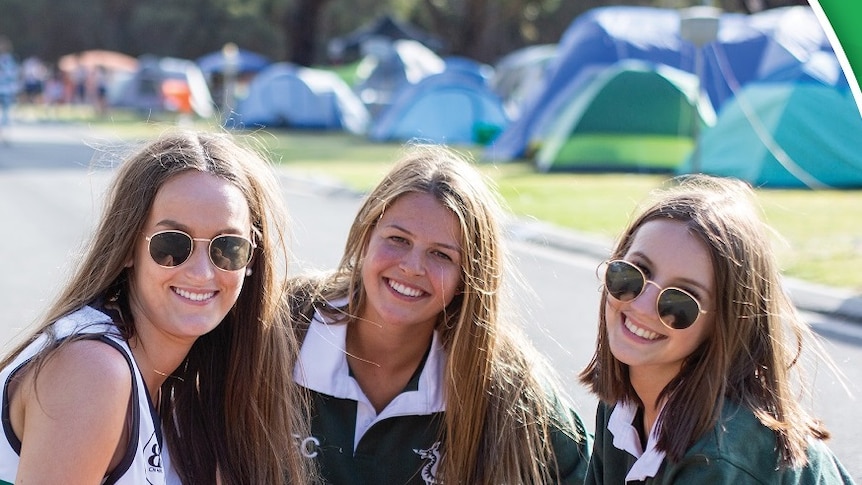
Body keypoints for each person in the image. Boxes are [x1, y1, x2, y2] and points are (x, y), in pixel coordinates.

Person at [0, 131, 311, 484]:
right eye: (172, 244)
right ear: (128, 247)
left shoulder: (182, 389)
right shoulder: (93, 372)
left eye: (228, 247)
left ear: (251, 258)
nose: (201, 272)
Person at [288, 143, 591, 484]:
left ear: (469, 278)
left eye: (441, 255)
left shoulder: (509, 385)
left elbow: (591, 474)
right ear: (365, 235)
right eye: (398, 239)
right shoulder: (277, 329)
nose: (412, 267)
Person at [579, 174, 855, 483]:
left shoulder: (719, 455)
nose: (642, 306)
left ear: (724, 323)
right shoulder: (623, 404)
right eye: (633, 273)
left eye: (681, 301)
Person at [0, 36, 18, 142]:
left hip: (6, 89)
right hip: (4, 88)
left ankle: (4, 131)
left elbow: (12, 74)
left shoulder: (9, 59)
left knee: (6, 112)